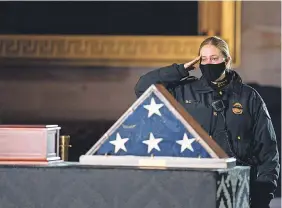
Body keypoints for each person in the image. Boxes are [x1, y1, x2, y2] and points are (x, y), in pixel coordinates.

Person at [134, 36, 280, 208]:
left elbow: (268, 152)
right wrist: (181, 69)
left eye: (214, 58)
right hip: (194, 189)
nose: (209, 63)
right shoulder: (184, 92)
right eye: (204, 59)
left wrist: (262, 197)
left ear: (227, 60)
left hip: (238, 189)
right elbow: (142, 88)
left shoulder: (248, 97)